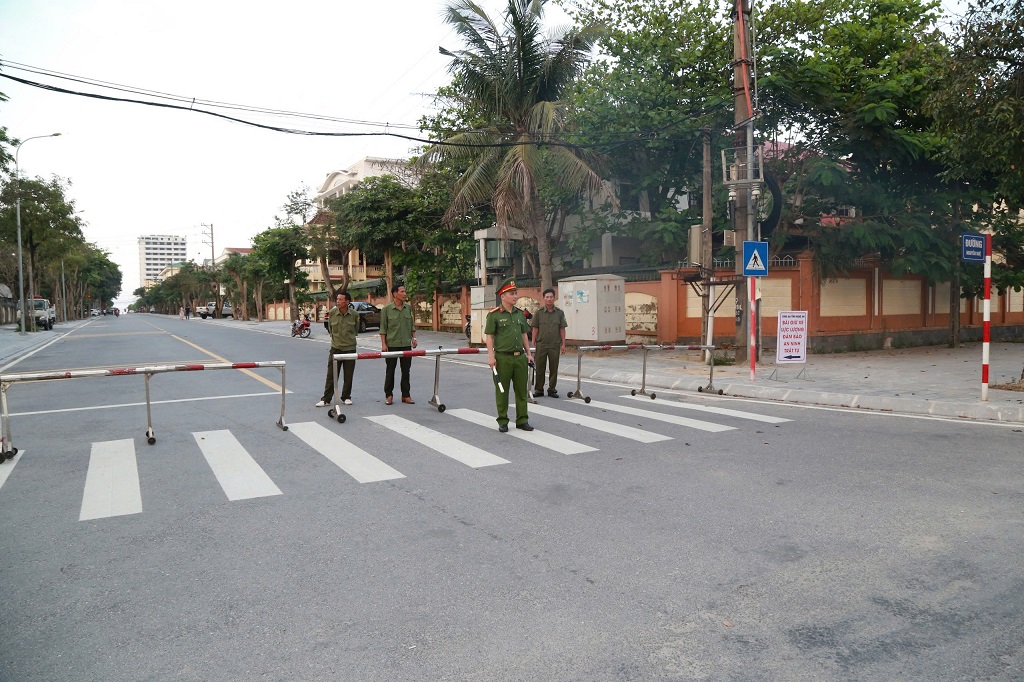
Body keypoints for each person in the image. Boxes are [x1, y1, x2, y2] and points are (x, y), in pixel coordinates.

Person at [485, 278, 534, 432]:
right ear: (503, 296)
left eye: (515, 293)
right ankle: (503, 420)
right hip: (502, 358)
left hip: (519, 358)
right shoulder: (494, 315)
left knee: (521, 391)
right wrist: (491, 356)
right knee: (502, 390)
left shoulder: (520, 314)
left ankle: (522, 420)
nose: (515, 296)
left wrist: (528, 354)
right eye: (511, 293)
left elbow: (524, 334)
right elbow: (489, 337)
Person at [317, 291, 358, 407]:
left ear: (347, 302)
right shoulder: (332, 313)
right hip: (335, 348)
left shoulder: (354, 315)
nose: (338, 301)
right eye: (337, 299)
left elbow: (356, 330)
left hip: (350, 348)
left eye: (340, 299)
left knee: (348, 375)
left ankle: (346, 397)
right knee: (331, 375)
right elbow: (330, 329)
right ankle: (326, 399)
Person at [379, 283, 417, 405]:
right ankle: (389, 395)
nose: (404, 294)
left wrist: (414, 338)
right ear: (395, 294)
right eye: (402, 292)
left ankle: (406, 395)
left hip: (406, 344)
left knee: (406, 371)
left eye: (405, 291)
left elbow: (411, 325)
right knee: (390, 371)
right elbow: (383, 328)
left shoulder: (408, 308)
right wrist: (383, 344)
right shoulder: (386, 310)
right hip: (392, 345)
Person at [530, 288, 568, 398]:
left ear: (554, 298)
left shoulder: (559, 313)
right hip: (541, 345)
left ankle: (552, 389)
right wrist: (533, 342)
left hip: (554, 345)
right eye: (547, 297)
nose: (549, 299)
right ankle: (539, 389)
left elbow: (562, 329)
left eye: (551, 297)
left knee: (554, 368)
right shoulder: (539, 313)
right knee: (540, 368)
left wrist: (563, 344)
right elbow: (535, 329)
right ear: (544, 298)